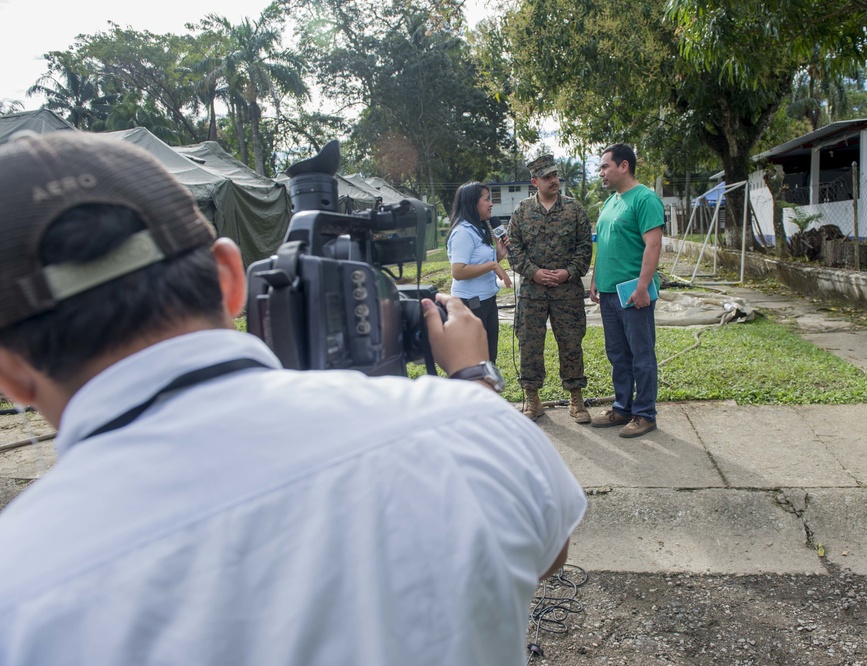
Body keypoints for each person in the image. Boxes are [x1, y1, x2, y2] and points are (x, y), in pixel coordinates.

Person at [0, 133, 586, 666]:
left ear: (8, 375)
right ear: (231, 277)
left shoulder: (19, 593)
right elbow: (548, 551)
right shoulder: (465, 427)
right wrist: (474, 384)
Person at [506, 154, 593, 423]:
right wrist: (534, 272)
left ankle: (575, 398)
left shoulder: (574, 209)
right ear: (535, 182)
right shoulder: (521, 211)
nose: (553, 180)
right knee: (530, 344)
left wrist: (568, 272)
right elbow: (514, 248)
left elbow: (584, 247)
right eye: (547, 177)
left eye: (555, 175)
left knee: (570, 343)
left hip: (567, 292)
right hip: (532, 292)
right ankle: (532, 398)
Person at [588, 143, 664, 438]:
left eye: (605, 166)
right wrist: (596, 277)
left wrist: (643, 286)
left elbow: (653, 245)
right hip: (608, 293)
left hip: (633, 293)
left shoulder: (644, 199)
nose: (601, 173)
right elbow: (603, 244)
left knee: (641, 355)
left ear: (624, 166)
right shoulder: (609, 202)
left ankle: (645, 414)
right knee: (617, 354)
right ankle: (622, 408)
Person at [446, 181, 512, 363]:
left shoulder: (479, 229)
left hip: (487, 301)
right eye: (486, 199)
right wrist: (493, 265)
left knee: (489, 357)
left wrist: (498, 256)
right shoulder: (462, 233)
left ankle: (486, 390)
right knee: (473, 360)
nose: (491, 204)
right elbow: (458, 271)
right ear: (472, 203)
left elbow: (478, 264)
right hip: (470, 304)